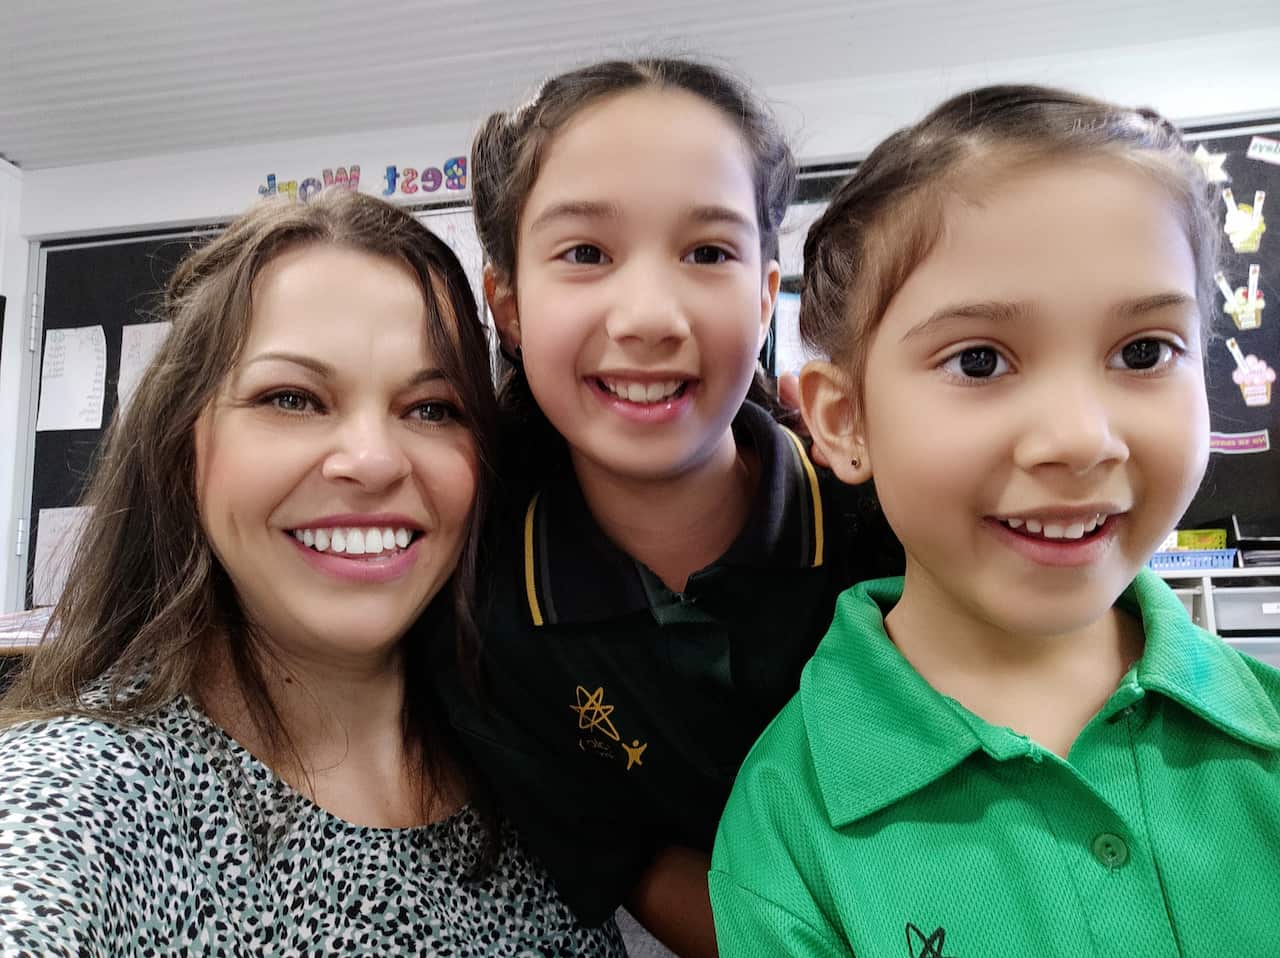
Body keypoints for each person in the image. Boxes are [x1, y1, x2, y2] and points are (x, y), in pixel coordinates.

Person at [709, 85, 1280, 954]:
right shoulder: (790, 825)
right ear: (843, 421)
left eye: (1143, 352)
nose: (1080, 440)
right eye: (980, 360)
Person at [0, 190, 624, 956]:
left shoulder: (537, 779)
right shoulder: (74, 804)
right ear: (178, 448)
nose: (371, 460)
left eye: (432, 408)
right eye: (291, 398)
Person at [429, 57, 900, 957]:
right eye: (585, 254)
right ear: (510, 304)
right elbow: (631, 857)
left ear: (765, 296)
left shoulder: (886, 515)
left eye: (708, 253)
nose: (648, 316)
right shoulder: (477, 614)